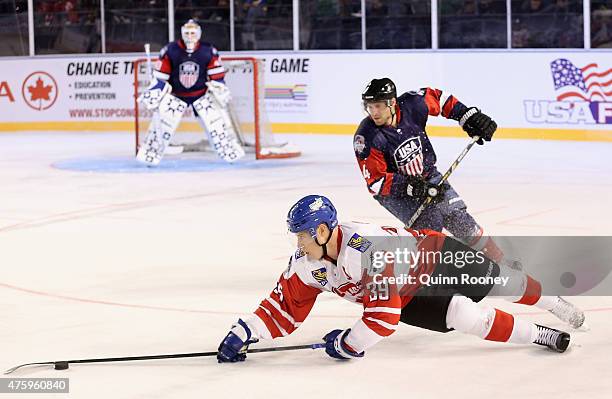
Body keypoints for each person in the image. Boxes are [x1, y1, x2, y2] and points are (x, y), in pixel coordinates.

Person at [217, 195, 585, 362]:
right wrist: (247, 330)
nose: (298, 243)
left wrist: (349, 344)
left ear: (325, 231)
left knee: (508, 284)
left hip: (436, 256)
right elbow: (284, 306)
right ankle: (540, 335)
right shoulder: (306, 263)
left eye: (303, 235)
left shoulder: (366, 248)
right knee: (466, 317)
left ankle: (555, 303)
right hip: (406, 293)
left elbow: (382, 316)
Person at [353, 78, 519, 268]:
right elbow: (376, 183)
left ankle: (499, 261)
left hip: (428, 174)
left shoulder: (412, 104)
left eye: (378, 106)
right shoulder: (367, 136)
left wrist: (466, 115)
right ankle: (433, 276)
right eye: (370, 107)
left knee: (460, 219)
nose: (373, 112)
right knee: (431, 225)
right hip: (396, 193)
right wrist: (409, 187)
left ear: (392, 102)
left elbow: (440, 99)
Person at [137, 19, 244, 166]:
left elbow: (217, 76)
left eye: (193, 32)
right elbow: (161, 77)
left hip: (201, 95)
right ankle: (150, 154)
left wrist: (220, 89)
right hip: (176, 96)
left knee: (218, 125)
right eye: (187, 32)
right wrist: (155, 92)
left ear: (199, 33)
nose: (190, 35)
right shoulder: (171, 49)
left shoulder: (208, 50)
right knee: (161, 126)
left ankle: (230, 152)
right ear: (182, 33)